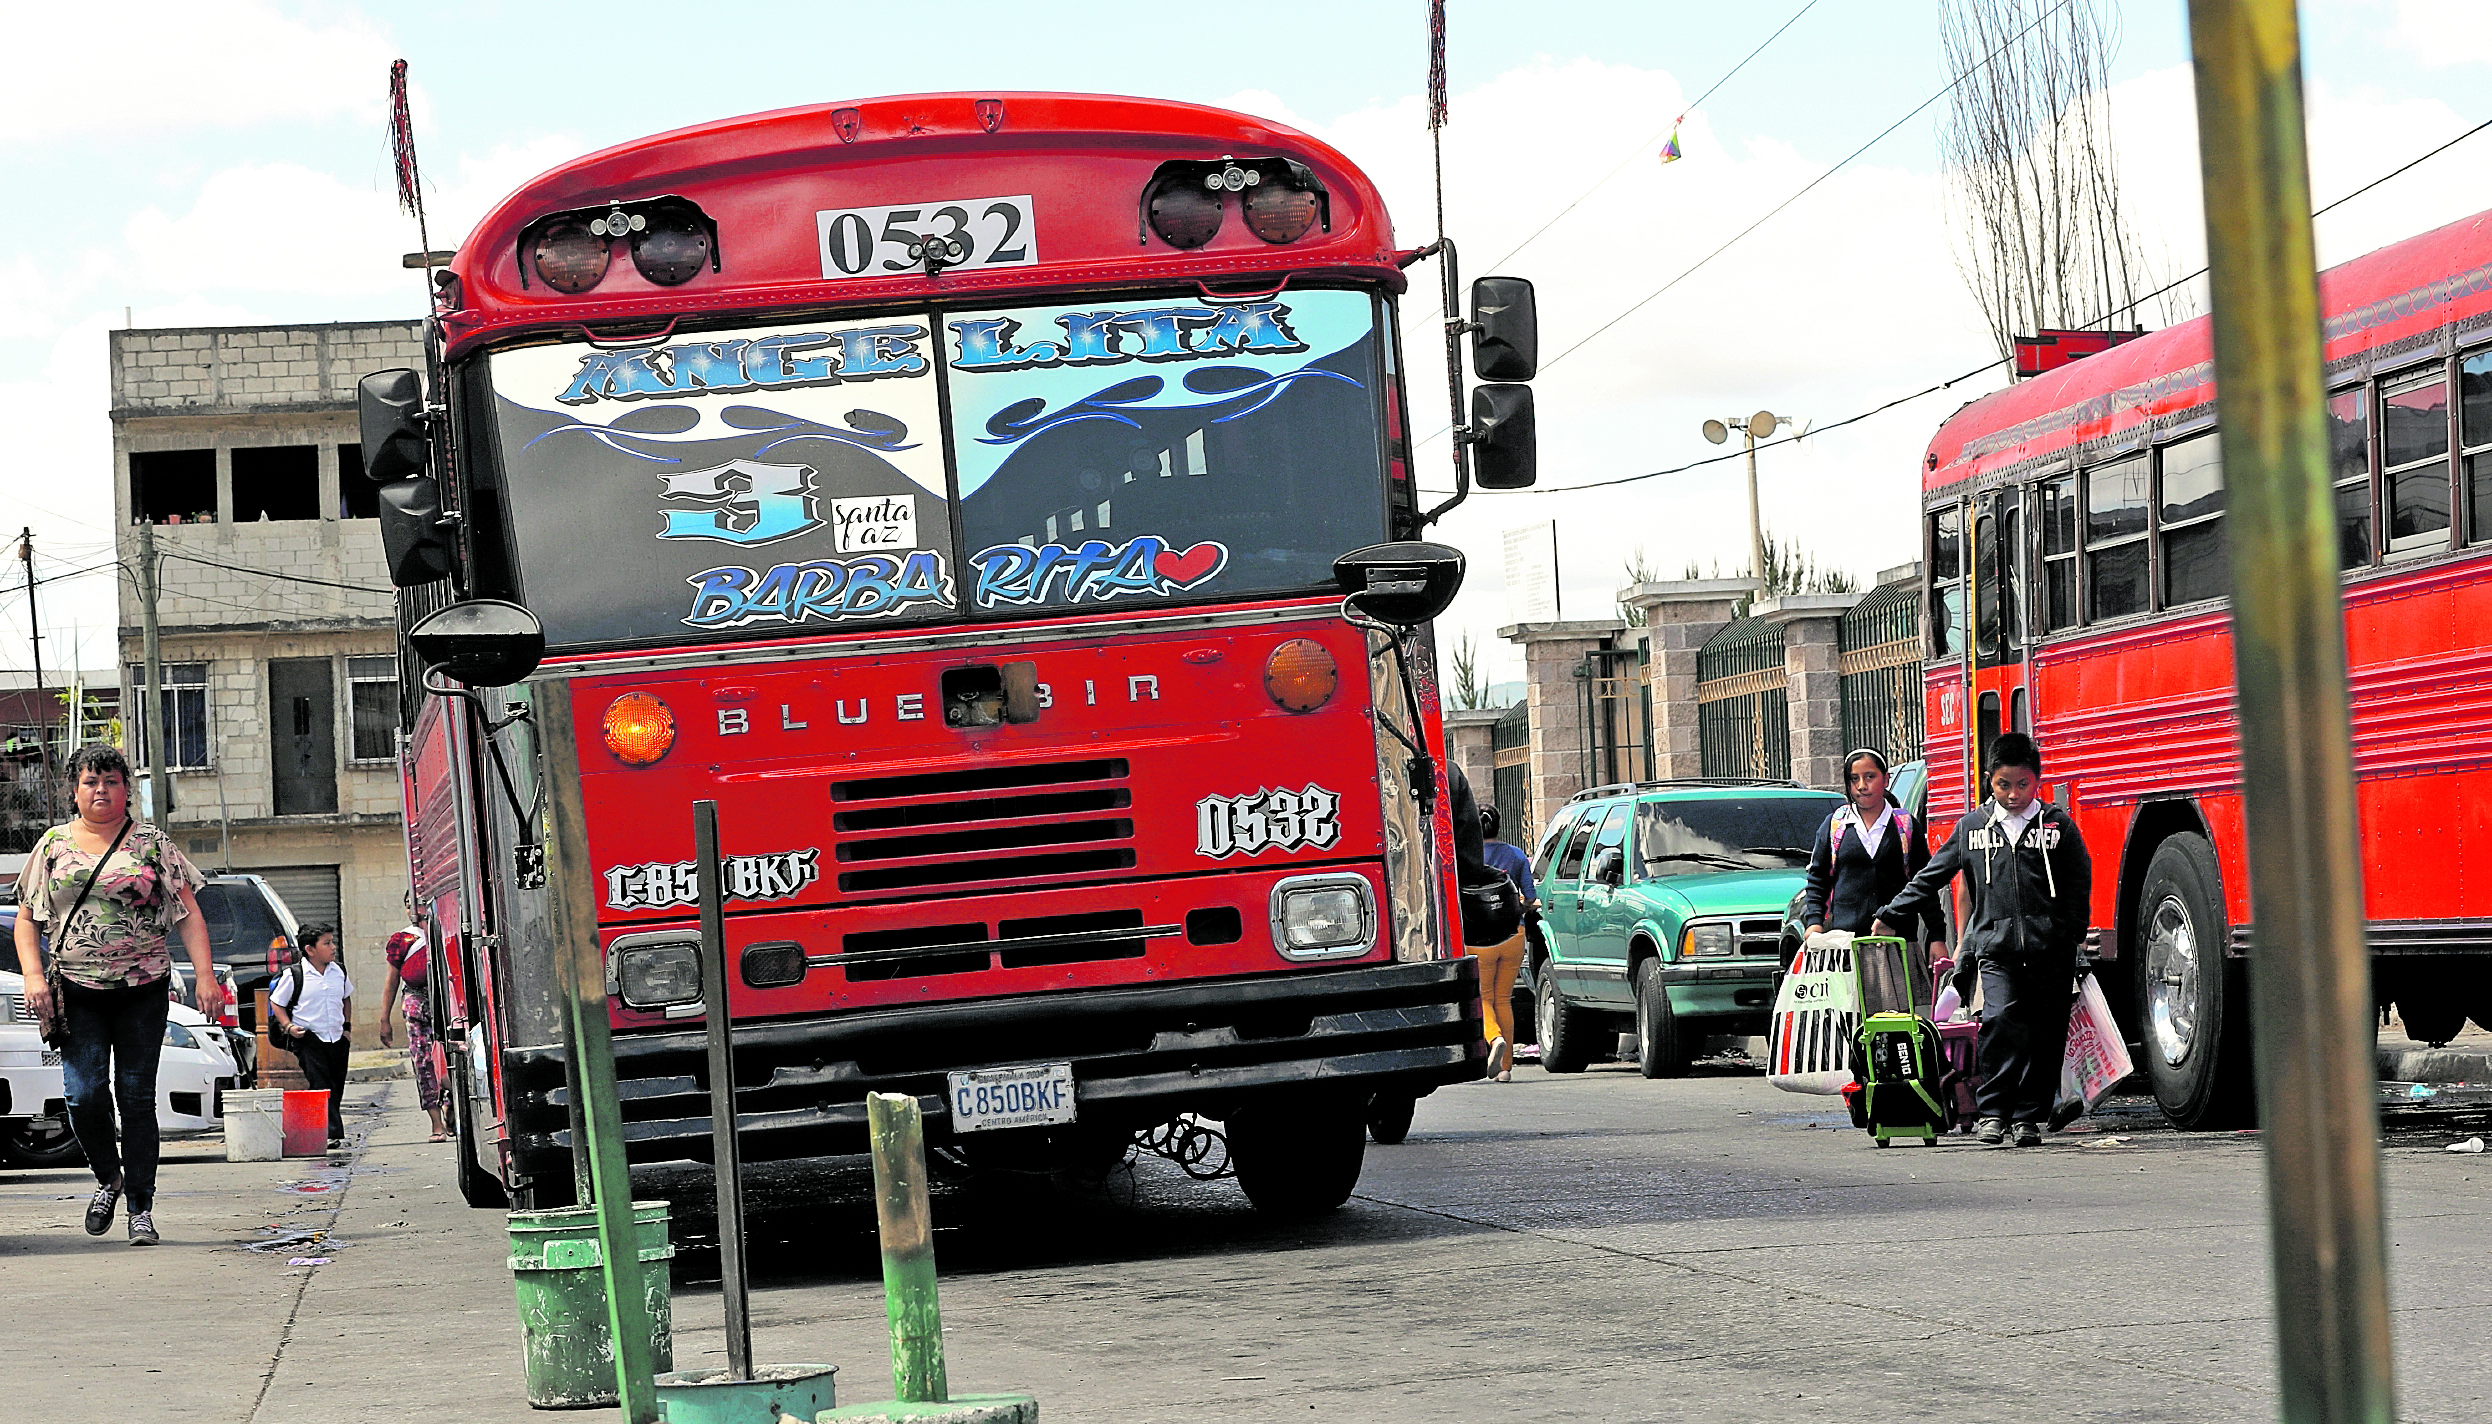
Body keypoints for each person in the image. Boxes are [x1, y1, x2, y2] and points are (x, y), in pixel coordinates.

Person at [11, 743, 221, 1246]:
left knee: (135, 1098)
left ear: (127, 789)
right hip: (76, 992)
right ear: (74, 790)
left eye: (110, 781)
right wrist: (33, 976)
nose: (100, 790)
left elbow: (187, 913)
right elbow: (26, 919)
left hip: (142, 989)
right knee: (82, 1096)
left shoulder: (152, 844)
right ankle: (110, 1178)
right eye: (89, 782)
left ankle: (141, 1207)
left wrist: (206, 977)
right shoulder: (53, 847)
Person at [1873, 733, 2092, 1148]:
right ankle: (1993, 1112)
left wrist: (2070, 933)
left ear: (2038, 781)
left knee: (2044, 1034)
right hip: (1995, 950)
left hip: (2051, 952)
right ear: (1989, 781)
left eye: (2022, 785)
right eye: (2003, 785)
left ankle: (2028, 1117)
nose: (2013, 794)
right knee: (2000, 1020)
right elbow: (1933, 874)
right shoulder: (1972, 828)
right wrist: (1891, 914)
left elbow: (2079, 880)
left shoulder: (2057, 826)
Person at [1796, 749, 1945, 959]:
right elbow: (1818, 880)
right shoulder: (1835, 826)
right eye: (1854, 779)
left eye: (1870, 777)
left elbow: (1924, 885)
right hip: (1846, 947)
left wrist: (1937, 936)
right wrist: (1814, 923)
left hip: (1898, 945)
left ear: (1886, 779)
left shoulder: (1905, 826)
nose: (1861, 786)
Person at [271, 924, 355, 1148]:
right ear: (310, 949)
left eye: (332, 942)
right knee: (320, 1083)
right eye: (326, 943)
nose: (333, 948)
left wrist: (346, 1028)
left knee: (336, 1085)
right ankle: (331, 1133)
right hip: (309, 1039)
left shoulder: (339, 971)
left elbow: (346, 999)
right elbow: (276, 1002)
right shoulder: (295, 975)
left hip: (336, 1038)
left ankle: (328, 1131)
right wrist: (289, 1027)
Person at [1477, 806, 1536, 1082]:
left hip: (1477, 941)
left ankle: (1494, 1038)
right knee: (1504, 999)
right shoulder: (1515, 855)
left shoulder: (1465, 857)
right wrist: (1516, 911)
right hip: (1513, 937)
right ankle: (1505, 1068)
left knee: (1483, 998)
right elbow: (1531, 898)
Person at [379, 900, 446, 1142]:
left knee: (448, 1059)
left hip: (446, 1002)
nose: (413, 910)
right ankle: (436, 1122)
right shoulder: (403, 940)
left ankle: (451, 1108)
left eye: (418, 904)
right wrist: (384, 1019)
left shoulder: (446, 928)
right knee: (423, 1060)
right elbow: (392, 981)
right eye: (408, 905)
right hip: (416, 1002)